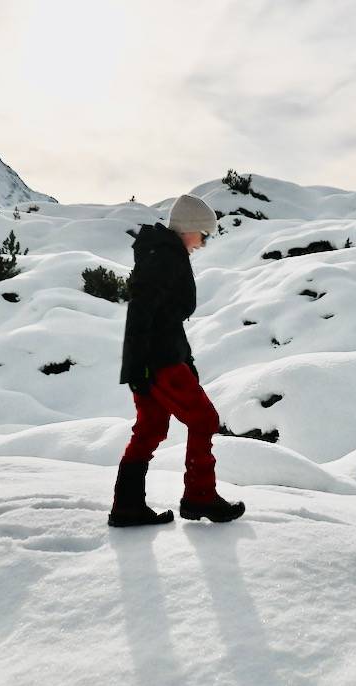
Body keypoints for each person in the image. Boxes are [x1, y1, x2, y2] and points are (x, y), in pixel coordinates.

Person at [109, 194, 246, 527]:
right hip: (158, 362)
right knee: (204, 420)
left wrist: (184, 361)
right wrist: (145, 366)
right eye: (204, 234)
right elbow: (141, 314)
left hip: (155, 360)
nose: (204, 242)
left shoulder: (161, 254)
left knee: (151, 428)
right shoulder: (165, 258)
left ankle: (127, 508)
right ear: (189, 229)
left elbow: (164, 317)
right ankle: (200, 497)